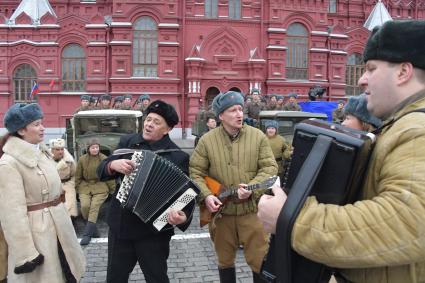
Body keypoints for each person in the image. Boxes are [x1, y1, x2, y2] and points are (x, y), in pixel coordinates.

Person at [257, 20, 425, 283]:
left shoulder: (417, 129)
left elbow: (407, 223)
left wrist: (290, 218)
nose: (361, 79)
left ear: (403, 72)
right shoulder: (403, 125)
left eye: (371, 68)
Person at [97, 100, 196, 283]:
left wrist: (183, 216)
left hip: (153, 234)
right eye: (148, 119)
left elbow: (186, 196)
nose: (149, 124)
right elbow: (101, 171)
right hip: (121, 228)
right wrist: (112, 165)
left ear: (167, 129)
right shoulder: (127, 143)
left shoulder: (177, 156)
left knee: (157, 278)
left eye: (156, 122)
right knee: (115, 278)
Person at [190, 91, 278, 282]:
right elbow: (196, 172)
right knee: (225, 262)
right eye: (232, 110)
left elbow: (270, 168)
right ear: (221, 116)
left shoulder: (258, 137)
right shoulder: (207, 140)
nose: (239, 114)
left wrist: (252, 188)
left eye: (240, 109)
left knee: (259, 261)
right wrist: (206, 196)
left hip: (253, 212)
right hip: (222, 215)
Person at [0, 103, 85, 282]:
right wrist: (26, 253)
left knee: (66, 273)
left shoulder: (41, 152)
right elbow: (12, 215)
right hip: (37, 233)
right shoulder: (9, 163)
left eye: (42, 123)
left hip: (58, 226)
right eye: (37, 124)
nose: (43, 128)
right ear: (22, 130)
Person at [75, 138, 114, 245]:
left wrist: (113, 190)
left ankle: (87, 234)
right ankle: (94, 230)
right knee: (84, 206)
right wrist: (77, 188)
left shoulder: (104, 159)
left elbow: (109, 175)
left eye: (97, 147)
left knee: (94, 207)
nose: (95, 149)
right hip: (85, 186)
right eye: (92, 147)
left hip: (101, 185)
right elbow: (78, 175)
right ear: (88, 149)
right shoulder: (82, 159)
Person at [50, 138, 78, 219]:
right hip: (53, 184)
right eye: (57, 149)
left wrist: (71, 184)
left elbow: (74, 174)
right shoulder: (46, 160)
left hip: (67, 183)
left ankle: (71, 219)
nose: (60, 151)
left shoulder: (69, 160)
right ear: (52, 150)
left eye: (62, 149)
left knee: (70, 204)